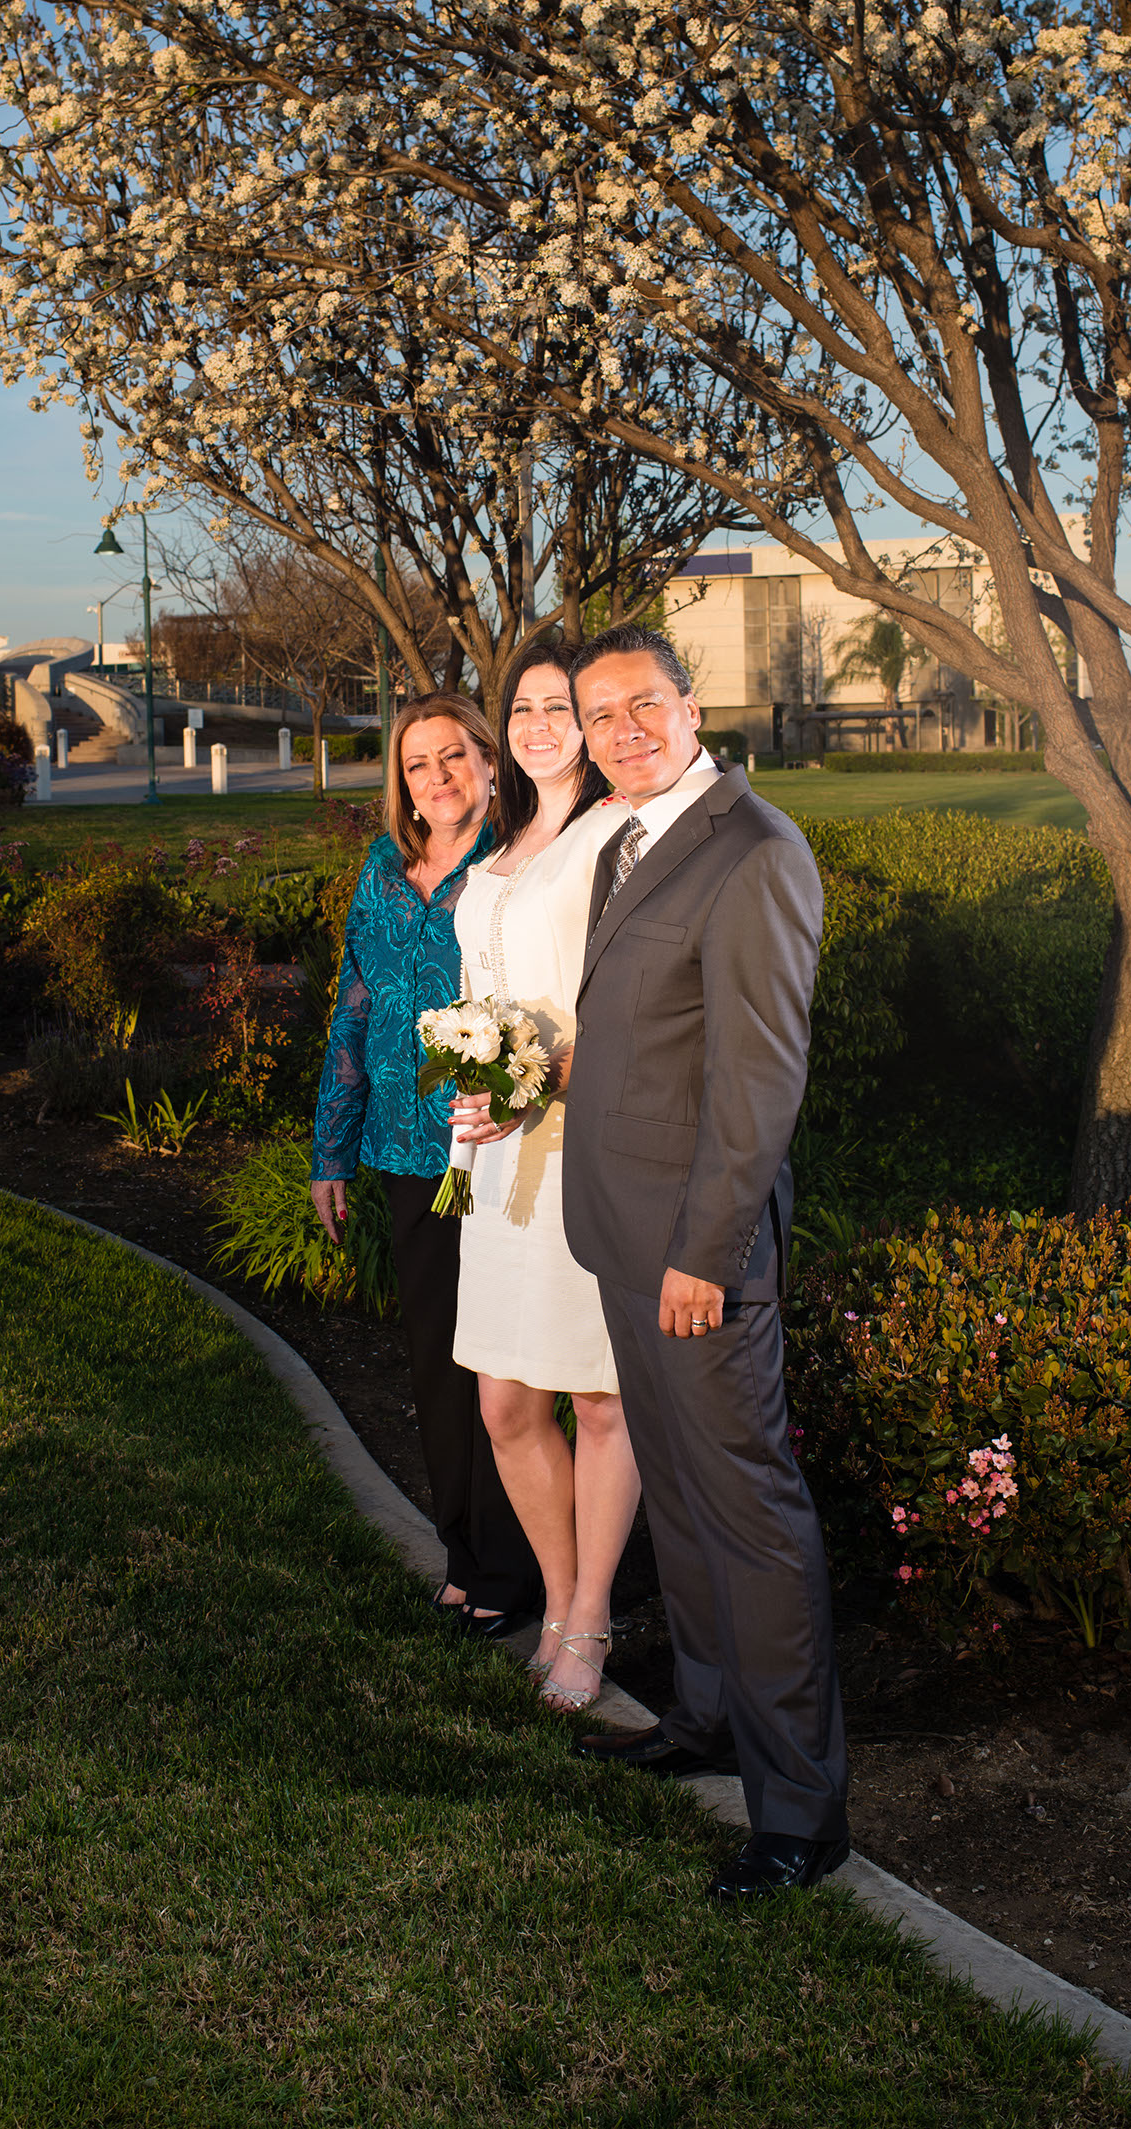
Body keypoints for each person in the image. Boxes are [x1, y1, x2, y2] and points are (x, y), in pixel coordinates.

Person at [561, 622, 849, 1902]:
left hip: (695, 1253)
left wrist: (706, 1255)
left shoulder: (754, 851)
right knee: (676, 1495)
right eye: (598, 714)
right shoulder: (626, 841)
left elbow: (757, 1080)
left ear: (690, 707)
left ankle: (798, 1814)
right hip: (622, 1233)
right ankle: (707, 1719)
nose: (620, 731)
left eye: (642, 705)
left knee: (747, 1516)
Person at [311, 692, 541, 1631]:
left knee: (505, 1369)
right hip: (408, 1156)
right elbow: (352, 1012)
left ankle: (516, 1567)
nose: (437, 777)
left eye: (453, 756)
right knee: (439, 1358)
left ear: (488, 761)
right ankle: (463, 1551)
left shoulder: (517, 860)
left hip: (497, 1146)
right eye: (418, 763)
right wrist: (330, 1149)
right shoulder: (381, 870)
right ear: (401, 783)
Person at [449, 637, 643, 1713]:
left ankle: (589, 1617)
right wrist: (469, 1071)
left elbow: (638, 1003)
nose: (536, 724)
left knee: (597, 1395)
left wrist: (540, 1076)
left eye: (558, 706)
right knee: (505, 1402)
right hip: (496, 1156)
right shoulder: (503, 840)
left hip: (582, 1143)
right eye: (521, 706)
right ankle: (561, 1595)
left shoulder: (613, 833)